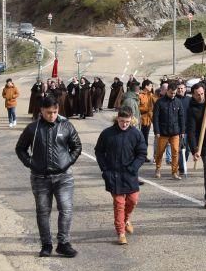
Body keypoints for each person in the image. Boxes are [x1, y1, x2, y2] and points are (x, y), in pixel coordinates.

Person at [15, 95, 82, 258]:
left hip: (64, 177)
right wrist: (31, 164)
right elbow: (20, 148)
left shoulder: (66, 126)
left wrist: (68, 162)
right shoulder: (32, 128)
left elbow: (77, 146)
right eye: (48, 112)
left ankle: (63, 243)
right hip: (40, 178)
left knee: (66, 209)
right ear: (41, 111)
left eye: (54, 112)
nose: (52, 115)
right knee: (43, 212)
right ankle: (46, 244)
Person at [95, 107, 146, 245]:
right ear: (117, 119)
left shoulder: (136, 134)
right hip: (113, 174)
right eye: (122, 121)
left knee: (133, 200)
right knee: (119, 204)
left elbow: (142, 153)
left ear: (131, 120)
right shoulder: (107, 134)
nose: (124, 124)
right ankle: (121, 232)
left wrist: (134, 167)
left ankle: (126, 220)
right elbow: (99, 151)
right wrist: (105, 169)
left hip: (130, 174)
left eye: (127, 122)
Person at [152, 82, 186, 180]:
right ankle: (158, 169)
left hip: (175, 132)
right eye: (171, 93)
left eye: (175, 93)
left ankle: (174, 172)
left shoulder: (178, 102)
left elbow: (181, 117)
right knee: (160, 152)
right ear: (167, 91)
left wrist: (182, 131)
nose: (173, 95)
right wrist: (157, 131)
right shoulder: (160, 102)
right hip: (162, 132)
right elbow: (155, 118)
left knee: (175, 152)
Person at [175, 81, 191, 176]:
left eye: (182, 88)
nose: (180, 90)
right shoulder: (174, 100)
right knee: (179, 149)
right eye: (179, 89)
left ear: (185, 89)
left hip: (188, 128)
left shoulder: (189, 100)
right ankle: (180, 167)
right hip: (177, 129)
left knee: (187, 149)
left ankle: (182, 164)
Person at [138, 80, 155, 153]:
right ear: (146, 86)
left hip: (148, 121)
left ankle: (144, 154)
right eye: (150, 86)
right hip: (141, 120)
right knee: (141, 138)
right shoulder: (140, 95)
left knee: (146, 138)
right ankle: (140, 154)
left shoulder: (151, 95)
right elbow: (137, 108)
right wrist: (147, 109)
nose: (151, 87)